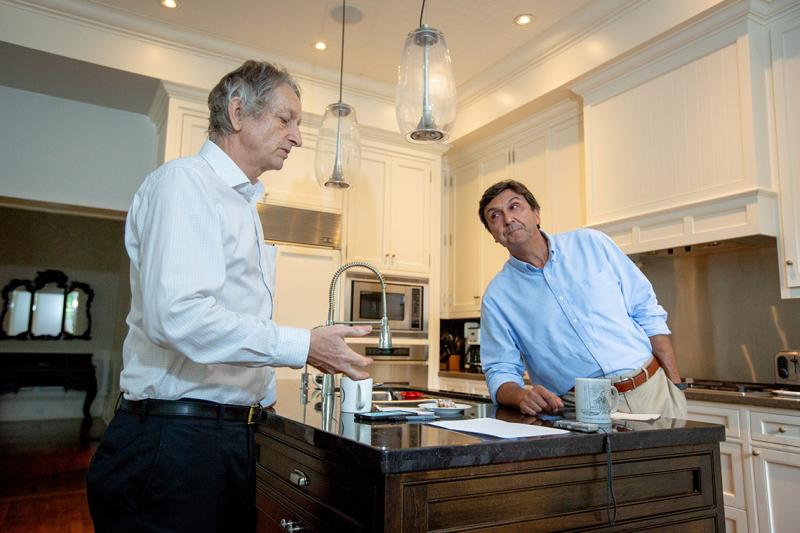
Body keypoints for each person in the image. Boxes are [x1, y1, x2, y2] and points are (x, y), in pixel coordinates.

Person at [86, 60, 372, 533]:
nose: (298, 137)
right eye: (287, 119)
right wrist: (303, 345)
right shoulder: (184, 183)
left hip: (221, 440)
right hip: (176, 445)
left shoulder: (241, 205)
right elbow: (177, 316)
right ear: (238, 113)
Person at [478, 179, 687, 419]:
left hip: (653, 392)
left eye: (515, 206)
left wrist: (676, 386)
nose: (507, 219)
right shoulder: (497, 297)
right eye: (495, 216)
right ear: (493, 235)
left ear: (536, 214)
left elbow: (646, 310)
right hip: (578, 410)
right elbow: (499, 369)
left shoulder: (592, 243)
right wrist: (520, 395)